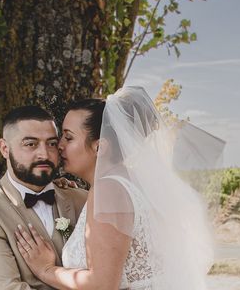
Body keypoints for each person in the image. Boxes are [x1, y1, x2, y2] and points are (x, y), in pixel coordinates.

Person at [15, 86, 225, 290]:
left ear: (99, 147)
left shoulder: (108, 189)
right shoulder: (130, 183)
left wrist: (45, 270)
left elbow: (102, 285)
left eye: (69, 137)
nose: (59, 145)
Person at [0, 105, 87, 290]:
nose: (44, 154)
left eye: (51, 143)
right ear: (5, 148)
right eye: (30, 144)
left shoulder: (83, 199)